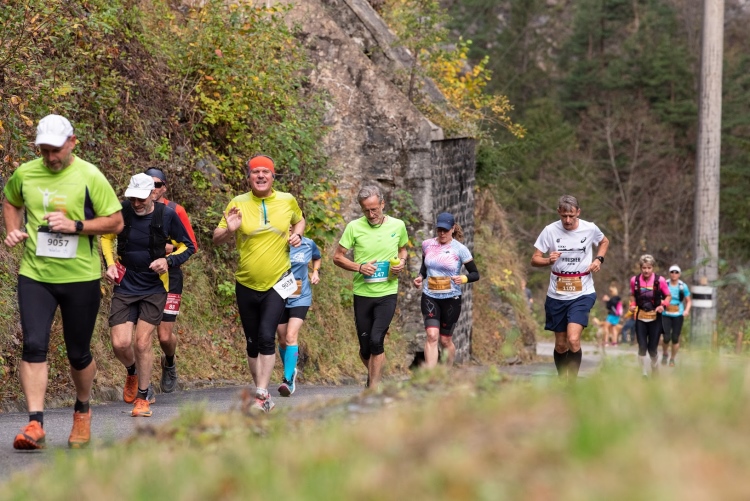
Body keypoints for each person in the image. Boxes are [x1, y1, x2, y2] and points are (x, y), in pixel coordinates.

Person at [3, 114, 124, 449]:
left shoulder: (89, 176)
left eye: (55, 150)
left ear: (72, 142)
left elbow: (116, 222)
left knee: (78, 353)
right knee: (34, 344)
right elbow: (11, 201)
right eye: (44, 150)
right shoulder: (26, 173)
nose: (50, 157)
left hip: (80, 277)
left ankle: (82, 410)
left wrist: (77, 226)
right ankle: (35, 424)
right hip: (35, 275)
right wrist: (12, 229)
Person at [213, 154, 305, 413]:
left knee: (266, 335)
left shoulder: (287, 200)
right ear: (249, 177)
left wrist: (297, 235)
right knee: (252, 341)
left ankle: (262, 392)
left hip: (278, 281)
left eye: (266, 172)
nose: (261, 175)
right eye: (256, 172)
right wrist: (229, 230)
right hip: (246, 282)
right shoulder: (237, 203)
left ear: (273, 177)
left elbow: (299, 219)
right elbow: (216, 238)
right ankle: (262, 394)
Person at [101, 173, 195, 417]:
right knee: (120, 343)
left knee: (142, 342)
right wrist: (110, 264)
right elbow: (107, 237)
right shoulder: (122, 211)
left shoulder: (167, 215)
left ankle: (143, 397)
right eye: (132, 198)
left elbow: (188, 246)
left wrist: (168, 261)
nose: (136, 204)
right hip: (126, 284)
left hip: (155, 286)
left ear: (153, 194)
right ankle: (132, 372)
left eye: (141, 199)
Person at [333, 185, 409, 389]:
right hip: (362, 293)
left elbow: (403, 249)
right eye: (366, 210)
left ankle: (373, 390)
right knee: (365, 349)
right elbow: (337, 257)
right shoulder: (354, 227)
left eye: (374, 209)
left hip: (387, 292)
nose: (371, 214)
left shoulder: (398, 225)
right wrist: (359, 267)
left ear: (382, 204)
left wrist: (401, 262)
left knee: (377, 341)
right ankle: (376, 378)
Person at [530, 195, 609, 381]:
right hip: (557, 293)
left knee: (573, 339)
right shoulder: (550, 230)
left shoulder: (590, 228)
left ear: (578, 212)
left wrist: (599, 259)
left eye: (571, 216)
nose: (567, 220)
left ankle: (571, 383)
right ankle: (562, 379)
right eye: (564, 216)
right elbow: (534, 259)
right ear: (559, 212)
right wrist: (548, 260)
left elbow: (604, 241)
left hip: (583, 291)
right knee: (561, 345)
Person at [145, 167, 199, 393]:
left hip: (170, 274)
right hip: (143, 274)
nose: (153, 188)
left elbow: (191, 245)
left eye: (157, 184)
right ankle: (142, 384)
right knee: (143, 334)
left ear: (164, 188)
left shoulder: (176, 210)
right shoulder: (135, 207)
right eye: (148, 184)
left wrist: (170, 251)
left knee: (164, 335)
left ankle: (169, 362)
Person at [412, 212, 479, 368]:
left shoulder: (460, 249)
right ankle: (431, 376)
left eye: (446, 230)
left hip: (451, 299)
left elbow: (475, 274)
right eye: (439, 230)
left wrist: (463, 278)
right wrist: (420, 277)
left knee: (445, 340)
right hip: (430, 296)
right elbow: (424, 268)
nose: (442, 233)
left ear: (453, 228)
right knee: (432, 335)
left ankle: (446, 374)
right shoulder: (427, 244)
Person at [276, 230, 321, 396]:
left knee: (290, 336)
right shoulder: (273, 242)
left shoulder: (308, 244)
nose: (290, 228)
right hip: (278, 295)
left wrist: (315, 271)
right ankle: (291, 369)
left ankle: (287, 380)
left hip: (300, 296)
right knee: (282, 340)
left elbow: (317, 257)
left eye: (293, 225)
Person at [629, 254, 672, 377]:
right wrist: (632, 305)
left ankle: (654, 367)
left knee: (652, 349)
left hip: (655, 318)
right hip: (641, 317)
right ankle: (643, 373)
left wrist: (663, 305)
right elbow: (632, 295)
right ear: (640, 268)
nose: (646, 270)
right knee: (642, 347)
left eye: (649, 268)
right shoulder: (635, 280)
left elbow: (668, 296)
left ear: (653, 267)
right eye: (644, 268)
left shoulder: (660, 280)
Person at [661, 264, 691, 367]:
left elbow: (688, 301)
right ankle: (665, 353)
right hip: (665, 313)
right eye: (672, 272)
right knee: (666, 337)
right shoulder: (664, 284)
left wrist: (686, 310)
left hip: (678, 314)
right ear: (669, 273)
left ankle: (672, 358)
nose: (674, 274)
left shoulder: (683, 286)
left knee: (675, 337)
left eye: (676, 272)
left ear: (679, 274)